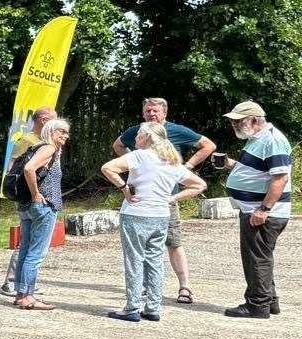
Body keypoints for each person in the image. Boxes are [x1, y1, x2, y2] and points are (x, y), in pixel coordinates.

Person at [112, 97, 215, 304]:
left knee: (173, 243)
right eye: (148, 111)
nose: (151, 114)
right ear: (143, 113)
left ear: (164, 113)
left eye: (155, 111)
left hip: (166, 200)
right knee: (143, 249)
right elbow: (118, 145)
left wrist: (188, 167)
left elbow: (208, 145)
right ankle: (144, 291)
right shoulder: (136, 131)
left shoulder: (177, 131)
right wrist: (133, 161)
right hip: (139, 200)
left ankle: (184, 286)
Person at [101, 122, 206, 322]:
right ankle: (153, 307)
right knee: (155, 260)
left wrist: (124, 187)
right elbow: (200, 185)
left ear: (147, 137)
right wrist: (173, 198)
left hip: (136, 213)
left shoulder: (139, 156)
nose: (136, 139)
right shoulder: (172, 162)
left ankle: (132, 307)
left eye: (139, 135)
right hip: (161, 215)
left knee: (134, 260)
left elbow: (108, 168)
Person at [215, 100, 291, 318]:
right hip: (254, 209)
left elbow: (280, 178)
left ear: (255, 120)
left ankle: (257, 305)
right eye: (233, 122)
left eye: (239, 121)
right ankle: (270, 301)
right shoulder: (256, 139)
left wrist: (264, 209)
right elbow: (257, 171)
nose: (234, 125)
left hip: (263, 212)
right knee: (260, 255)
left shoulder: (272, 140)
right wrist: (229, 164)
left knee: (256, 258)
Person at [11, 117, 70, 311]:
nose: (65, 135)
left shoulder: (36, 147)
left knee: (26, 250)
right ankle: (28, 296)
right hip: (42, 206)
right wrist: (37, 194)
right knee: (36, 253)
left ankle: (20, 295)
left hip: (26, 205)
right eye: (61, 131)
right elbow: (29, 169)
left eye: (66, 132)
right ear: (50, 131)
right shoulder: (48, 148)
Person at [1, 107, 57, 295]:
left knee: (29, 243)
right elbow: (15, 169)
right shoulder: (27, 140)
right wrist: (32, 194)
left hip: (34, 197)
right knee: (29, 244)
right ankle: (12, 282)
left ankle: (23, 283)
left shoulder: (43, 141)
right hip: (31, 198)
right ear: (43, 119)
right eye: (54, 122)